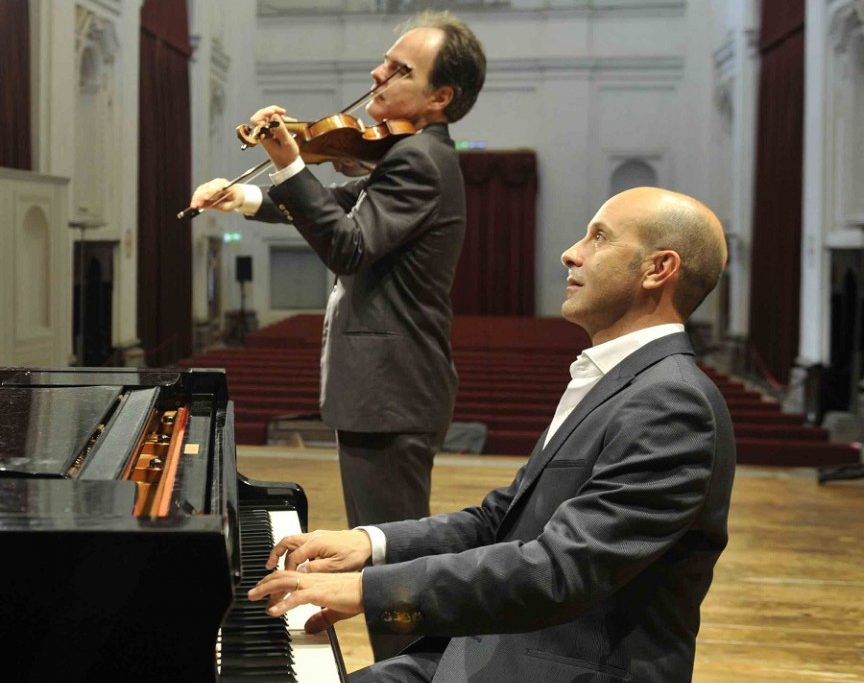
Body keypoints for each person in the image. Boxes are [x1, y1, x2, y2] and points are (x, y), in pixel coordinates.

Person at [245, 186, 737, 682]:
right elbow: (500, 519)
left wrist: (369, 593)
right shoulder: (621, 382)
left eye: (599, 238)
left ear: (658, 269)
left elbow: (561, 571)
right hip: (504, 646)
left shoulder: (671, 402)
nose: (571, 252)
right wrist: (370, 544)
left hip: (564, 666)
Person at [191, 6, 484, 593]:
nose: (377, 73)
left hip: (393, 393)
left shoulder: (421, 161)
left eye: (400, 69)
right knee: (381, 559)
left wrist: (288, 161)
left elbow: (348, 245)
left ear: (439, 97)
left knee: (389, 571)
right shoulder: (406, 155)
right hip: (389, 394)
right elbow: (338, 203)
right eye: (385, 61)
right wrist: (247, 198)